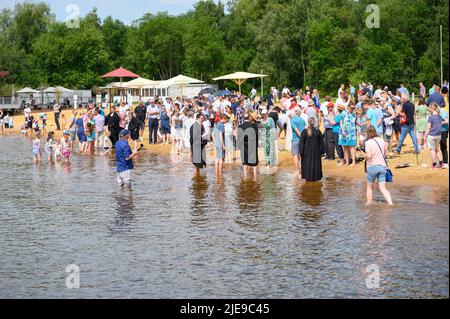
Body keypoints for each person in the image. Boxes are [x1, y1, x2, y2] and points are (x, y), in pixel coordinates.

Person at [359, 126, 393, 206]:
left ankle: (368, 204)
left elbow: (369, 156)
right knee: (383, 188)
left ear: (368, 134)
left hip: (372, 167)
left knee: (369, 188)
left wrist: (362, 153)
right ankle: (391, 204)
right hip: (382, 167)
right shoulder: (381, 141)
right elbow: (384, 154)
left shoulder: (368, 143)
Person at [238, 113, 259, 177]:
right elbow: (256, 136)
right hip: (252, 144)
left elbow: (239, 138)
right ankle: (255, 176)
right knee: (254, 161)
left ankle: (245, 175)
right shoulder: (254, 125)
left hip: (243, 145)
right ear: (249, 118)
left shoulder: (240, 126)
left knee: (245, 161)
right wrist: (256, 145)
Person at [424, 103, 443, 169]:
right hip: (438, 135)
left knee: (432, 150)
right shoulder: (439, 116)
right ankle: (441, 163)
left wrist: (425, 136)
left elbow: (428, 127)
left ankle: (434, 164)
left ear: (432, 108)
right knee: (437, 149)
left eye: (429, 108)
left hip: (431, 135)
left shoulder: (431, 117)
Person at [291, 106, 307, 177]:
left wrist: (301, 137)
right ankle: (302, 170)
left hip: (296, 140)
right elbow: (304, 129)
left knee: (295, 155)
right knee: (301, 155)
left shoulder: (292, 120)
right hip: (302, 140)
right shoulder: (302, 120)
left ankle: (297, 171)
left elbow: (296, 130)